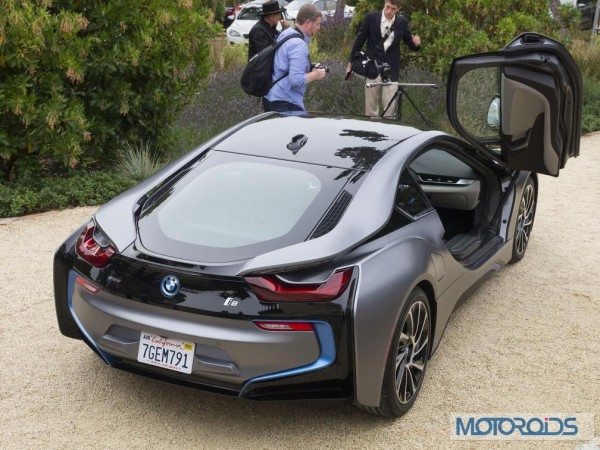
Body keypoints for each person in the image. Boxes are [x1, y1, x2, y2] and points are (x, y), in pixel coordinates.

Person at [346, 0, 421, 117]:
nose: (389, 11)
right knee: (371, 111)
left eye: (393, 9)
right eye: (387, 7)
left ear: (398, 9)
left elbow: (410, 44)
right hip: (372, 67)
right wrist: (351, 63)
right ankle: (372, 133)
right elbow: (359, 41)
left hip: (391, 70)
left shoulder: (402, 22)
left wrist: (416, 44)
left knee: (390, 112)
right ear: (385, 3)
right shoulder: (371, 18)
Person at [263, 4, 327, 112]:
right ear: (308, 22)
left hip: (272, 96)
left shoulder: (286, 33)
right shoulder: (298, 44)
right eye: (317, 24)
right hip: (285, 102)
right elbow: (296, 81)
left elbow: (284, 65)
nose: (319, 27)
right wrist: (315, 75)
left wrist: (310, 67)